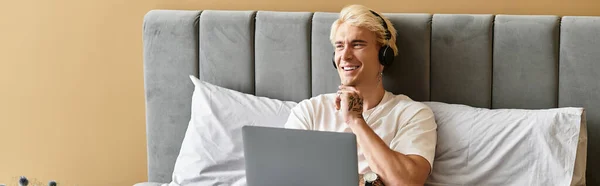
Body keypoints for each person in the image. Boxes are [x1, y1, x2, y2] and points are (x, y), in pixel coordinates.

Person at [283, 4, 438, 186]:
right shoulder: (309, 111)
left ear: (384, 57)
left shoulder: (413, 114)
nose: (345, 55)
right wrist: (363, 180)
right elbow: (286, 174)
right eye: (340, 46)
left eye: (357, 44)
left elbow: (407, 182)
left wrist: (356, 121)